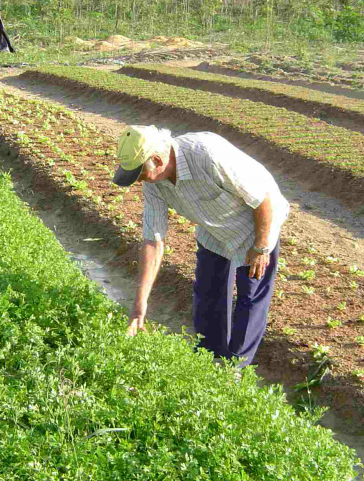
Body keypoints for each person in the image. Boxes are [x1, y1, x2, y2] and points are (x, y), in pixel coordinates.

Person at [114, 125, 289, 368]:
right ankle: (208, 359)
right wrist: (139, 306)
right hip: (213, 228)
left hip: (255, 224)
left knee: (249, 297)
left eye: (140, 173)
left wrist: (261, 248)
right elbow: (153, 241)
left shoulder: (208, 155)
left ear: (156, 160)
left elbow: (264, 199)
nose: (139, 180)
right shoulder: (153, 184)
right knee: (208, 293)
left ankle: (235, 370)